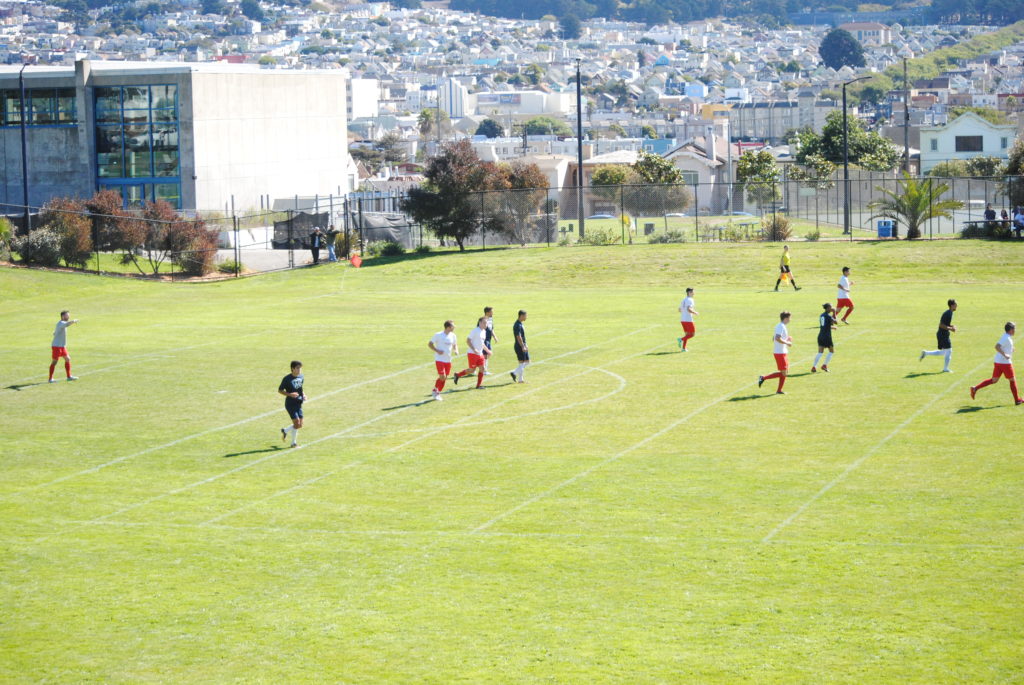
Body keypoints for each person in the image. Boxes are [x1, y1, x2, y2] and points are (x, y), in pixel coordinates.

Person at [970, 322, 1022, 406]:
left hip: (998, 362)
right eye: (1014, 329)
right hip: (1005, 363)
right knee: (1012, 380)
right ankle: (1017, 400)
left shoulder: (1006, 337)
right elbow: (997, 346)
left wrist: (1010, 349)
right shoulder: (1006, 338)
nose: (1015, 330)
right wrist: (1005, 355)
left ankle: (975, 388)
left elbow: (1003, 346)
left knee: (994, 380)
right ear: (1011, 330)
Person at [759, 311, 793, 394]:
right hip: (779, 353)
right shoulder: (781, 326)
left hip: (782, 352)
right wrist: (787, 342)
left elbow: (774, 338)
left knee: (785, 372)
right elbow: (777, 338)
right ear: (786, 318)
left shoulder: (781, 326)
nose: (790, 319)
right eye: (789, 318)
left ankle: (779, 390)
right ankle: (763, 377)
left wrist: (786, 339)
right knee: (784, 373)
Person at [920, 299, 957, 372]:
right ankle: (945, 369)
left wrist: (952, 326)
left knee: (944, 352)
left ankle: (926, 353)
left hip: (942, 334)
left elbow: (945, 324)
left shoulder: (950, 312)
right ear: (952, 305)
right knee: (949, 350)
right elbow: (941, 325)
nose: (957, 306)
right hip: (943, 335)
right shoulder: (948, 313)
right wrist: (951, 328)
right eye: (956, 304)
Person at [453, 317, 489, 389]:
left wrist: (487, 350)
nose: (486, 324)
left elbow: (482, 343)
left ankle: (478, 386)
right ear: (480, 323)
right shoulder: (475, 331)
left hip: (480, 354)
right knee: (472, 370)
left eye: (487, 323)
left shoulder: (484, 332)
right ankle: (458, 375)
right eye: (484, 322)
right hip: (472, 354)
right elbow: (468, 341)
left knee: (482, 368)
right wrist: (474, 349)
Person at [428, 320, 458, 401]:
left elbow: (455, 344)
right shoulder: (438, 335)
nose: (454, 327)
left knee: (444, 378)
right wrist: (437, 351)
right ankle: (436, 392)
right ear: (448, 327)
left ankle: (436, 390)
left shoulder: (453, 335)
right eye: (453, 326)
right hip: (439, 359)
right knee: (443, 376)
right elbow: (430, 344)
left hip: (448, 360)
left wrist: (456, 350)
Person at [278, 361, 306, 447]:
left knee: (299, 425)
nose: (299, 370)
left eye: (300, 368)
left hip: (298, 403)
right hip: (290, 404)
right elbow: (280, 390)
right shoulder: (287, 379)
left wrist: (304, 395)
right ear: (292, 369)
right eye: (297, 368)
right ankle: (293, 443)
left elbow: (300, 388)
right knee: (297, 422)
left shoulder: (301, 377)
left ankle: (285, 431)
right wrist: (290, 394)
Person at [48, 310, 79, 383]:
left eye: (68, 315)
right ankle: (50, 379)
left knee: (67, 359)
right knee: (54, 362)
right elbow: (67, 324)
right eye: (67, 315)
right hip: (56, 346)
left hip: (62, 346)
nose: (68, 316)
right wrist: (73, 321)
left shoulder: (62, 324)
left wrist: (55, 333)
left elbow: (57, 331)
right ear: (62, 316)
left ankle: (69, 377)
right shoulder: (61, 323)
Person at [812, 303, 838, 373]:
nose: (832, 308)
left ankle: (814, 366)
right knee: (831, 351)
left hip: (820, 336)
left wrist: (832, 327)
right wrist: (835, 312)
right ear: (828, 308)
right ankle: (824, 365)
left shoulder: (821, 315)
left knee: (820, 352)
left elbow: (824, 326)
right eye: (831, 307)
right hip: (827, 337)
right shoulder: (828, 316)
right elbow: (836, 322)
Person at [677, 287, 698, 352]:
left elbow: (679, 309)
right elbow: (689, 309)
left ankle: (683, 349)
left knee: (687, 335)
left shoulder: (684, 300)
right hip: (688, 320)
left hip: (682, 320)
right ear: (689, 292)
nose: (694, 293)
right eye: (693, 292)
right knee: (692, 334)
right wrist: (695, 312)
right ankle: (681, 339)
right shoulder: (690, 300)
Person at [511, 310, 529, 383]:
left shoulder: (520, 323)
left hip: (522, 345)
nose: (526, 317)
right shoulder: (517, 325)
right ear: (521, 316)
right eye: (525, 316)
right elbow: (518, 336)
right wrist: (523, 346)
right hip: (519, 346)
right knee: (522, 363)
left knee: (526, 362)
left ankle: (520, 378)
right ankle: (515, 374)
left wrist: (525, 344)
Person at [482, 306, 497, 375]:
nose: (492, 313)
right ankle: (484, 370)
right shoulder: (482, 320)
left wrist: (495, 337)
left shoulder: (490, 319)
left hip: (488, 339)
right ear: (487, 312)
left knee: (487, 354)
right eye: (491, 312)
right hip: (484, 339)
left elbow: (491, 329)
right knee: (486, 354)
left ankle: (482, 368)